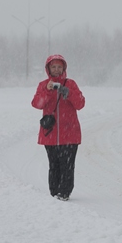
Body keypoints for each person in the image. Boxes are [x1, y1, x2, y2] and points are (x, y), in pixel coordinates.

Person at [31, 54, 85, 201]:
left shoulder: (71, 84)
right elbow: (37, 104)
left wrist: (68, 93)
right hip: (50, 133)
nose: (56, 70)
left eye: (59, 67)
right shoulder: (43, 85)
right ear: (48, 68)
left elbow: (80, 104)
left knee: (67, 166)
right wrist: (48, 90)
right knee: (54, 165)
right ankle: (54, 193)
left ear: (64, 68)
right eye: (53, 67)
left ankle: (64, 193)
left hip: (70, 134)